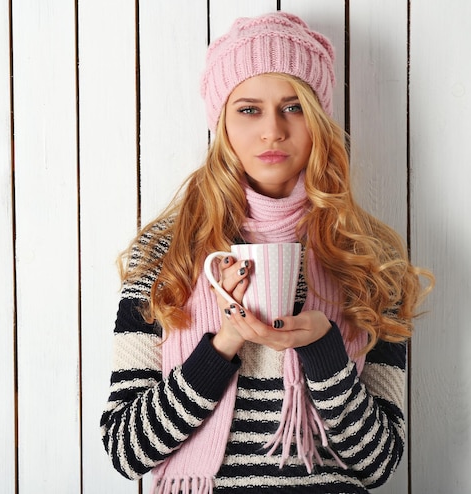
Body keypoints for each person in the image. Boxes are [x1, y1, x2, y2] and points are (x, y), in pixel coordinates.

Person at [100, 11, 433, 494]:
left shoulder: (369, 259)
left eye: (294, 107)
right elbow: (127, 449)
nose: (272, 130)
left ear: (318, 119)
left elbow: (378, 464)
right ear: (222, 124)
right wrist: (223, 343)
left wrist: (322, 350)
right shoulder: (166, 255)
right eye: (249, 109)